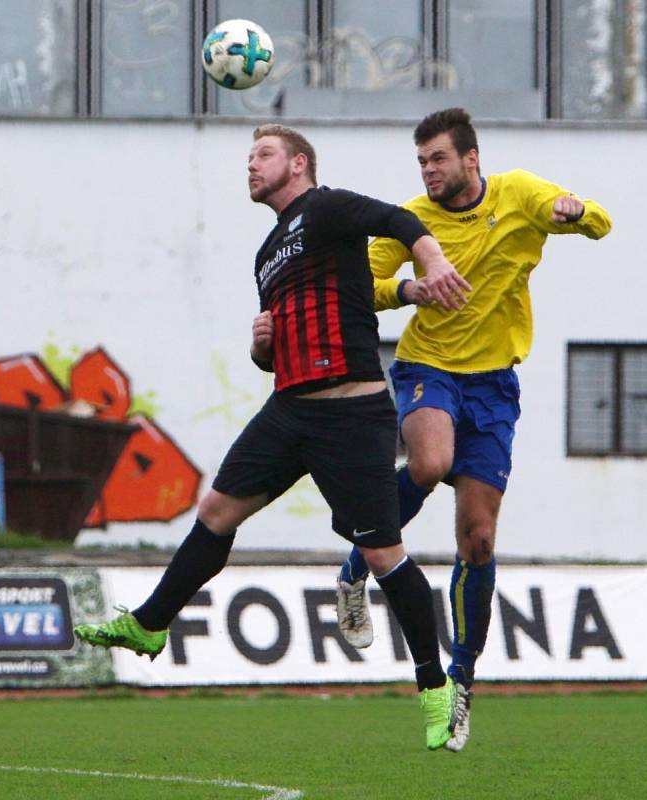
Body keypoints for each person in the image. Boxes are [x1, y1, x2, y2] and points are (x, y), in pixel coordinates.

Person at [74, 123, 472, 751]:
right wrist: (261, 348)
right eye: (249, 158)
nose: (251, 167)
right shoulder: (266, 254)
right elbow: (273, 355)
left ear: (299, 163)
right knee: (215, 510)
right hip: (288, 411)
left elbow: (398, 219)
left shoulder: (329, 207)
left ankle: (434, 685)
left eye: (263, 155)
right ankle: (150, 625)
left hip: (352, 412)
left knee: (381, 554)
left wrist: (434, 258)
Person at [335, 108, 613, 752]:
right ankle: (356, 568)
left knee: (479, 540)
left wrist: (577, 213)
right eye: (423, 162)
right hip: (430, 366)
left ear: (471, 159)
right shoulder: (410, 220)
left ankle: (461, 682)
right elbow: (362, 286)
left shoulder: (518, 194)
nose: (430, 171)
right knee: (429, 463)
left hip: (494, 385)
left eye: (438, 159)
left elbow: (600, 220)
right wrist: (410, 289)